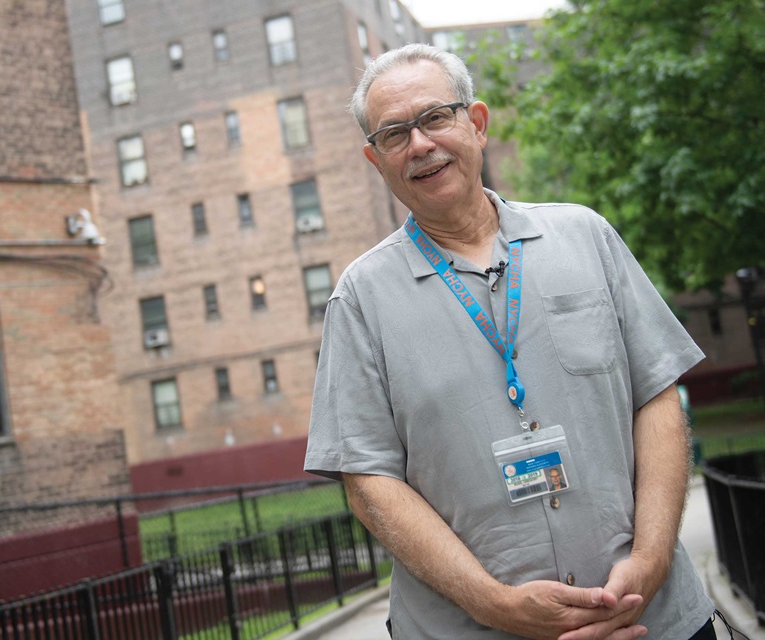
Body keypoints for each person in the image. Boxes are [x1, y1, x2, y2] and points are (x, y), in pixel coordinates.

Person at [304, 43, 716, 640]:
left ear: (476, 122)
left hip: (654, 618)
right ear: (376, 159)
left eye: (435, 117)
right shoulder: (359, 301)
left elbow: (656, 395)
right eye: (394, 134)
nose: (419, 144)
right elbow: (369, 483)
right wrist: (493, 604)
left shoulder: (586, 237)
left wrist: (649, 564)